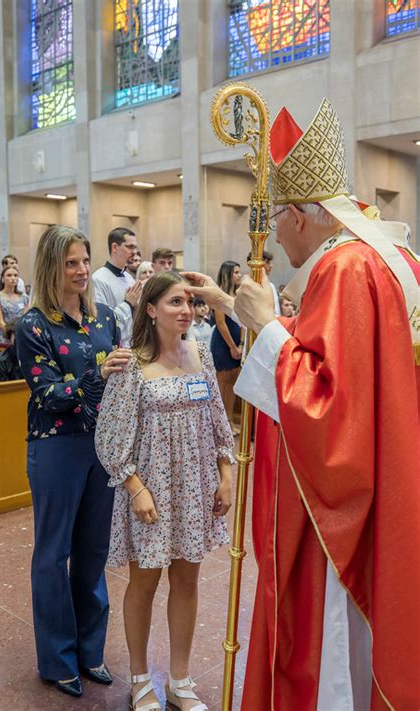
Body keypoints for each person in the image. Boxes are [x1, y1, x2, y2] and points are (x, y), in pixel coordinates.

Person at [183, 98, 419, 710]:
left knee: (333, 659)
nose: (275, 236)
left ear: (297, 215)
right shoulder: (384, 258)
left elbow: (332, 416)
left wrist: (264, 330)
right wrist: (251, 316)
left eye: (276, 222)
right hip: (388, 487)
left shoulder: (344, 270)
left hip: (337, 519)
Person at [94, 272, 233, 711]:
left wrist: (225, 473)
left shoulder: (200, 355)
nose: (185, 311)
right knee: (144, 581)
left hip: (195, 484)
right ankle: (139, 679)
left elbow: (217, 417)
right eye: (175, 302)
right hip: (150, 486)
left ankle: (179, 678)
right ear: (150, 310)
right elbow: (110, 436)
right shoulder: (130, 362)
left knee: (187, 579)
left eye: (190, 303)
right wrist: (135, 488)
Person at [15, 225, 131, 699]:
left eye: (85, 260)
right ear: (51, 268)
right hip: (57, 446)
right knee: (53, 555)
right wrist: (93, 375)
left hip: (100, 446)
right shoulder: (33, 325)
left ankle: (90, 651)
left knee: (92, 554)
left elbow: (120, 382)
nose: (82, 270)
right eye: (71, 263)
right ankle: (58, 659)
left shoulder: (104, 316)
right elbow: (47, 394)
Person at [92, 227, 142, 347]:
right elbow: (102, 322)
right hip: (113, 348)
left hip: (132, 345)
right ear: (114, 247)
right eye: (130, 247)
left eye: (135, 247)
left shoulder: (129, 277)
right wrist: (128, 304)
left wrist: (137, 307)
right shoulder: (98, 279)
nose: (134, 252)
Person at [210, 261, 242, 434]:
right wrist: (232, 346)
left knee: (232, 385)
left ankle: (230, 420)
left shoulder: (238, 294)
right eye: (236, 272)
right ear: (228, 274)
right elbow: (221, 323)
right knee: (222, 385)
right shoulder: (219, 295)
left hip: (237, 343)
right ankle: (220, 424)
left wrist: (241, 345)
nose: (239, 275)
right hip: (224, 343)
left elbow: (244, 322)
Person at [0, 265, 29, 345]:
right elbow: (0, 322)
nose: (13, 278)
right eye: (9, 275)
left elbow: (26, 318)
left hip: (21, 335)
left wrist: (19, 334)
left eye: (15, 275)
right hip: (4, 337)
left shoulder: (24, 297)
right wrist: (11, 334)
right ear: (2, 279)